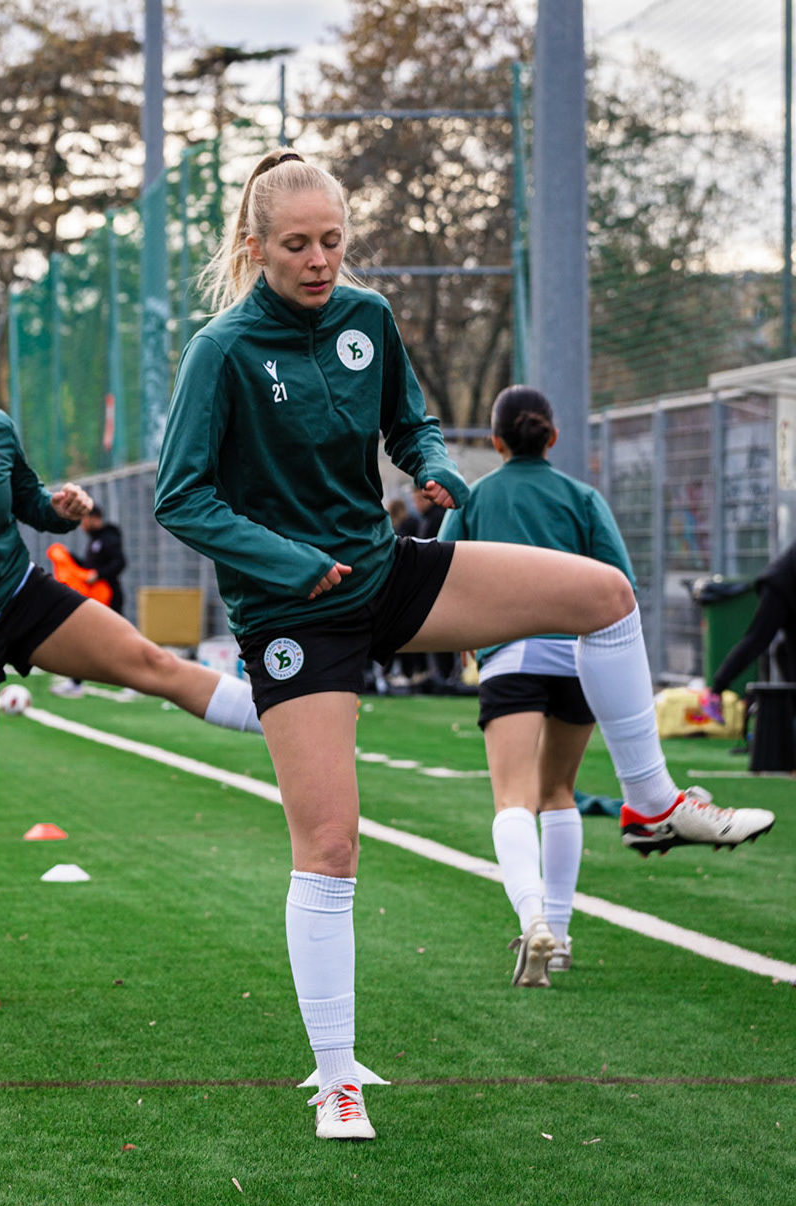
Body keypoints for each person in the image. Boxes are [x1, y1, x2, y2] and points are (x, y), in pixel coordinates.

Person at [154, 150, 773, 1142]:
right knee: (331, 846)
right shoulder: (220, 351)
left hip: (387, 573)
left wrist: (437, 468)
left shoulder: (368, 320)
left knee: (606, 594)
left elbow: (413, 424)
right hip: (293, 614)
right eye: (299, 245)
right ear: (254, 245)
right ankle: (335, 1077)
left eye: (333, 241)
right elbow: (181, 495)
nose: (321, 261)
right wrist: (282, 560)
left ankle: (653, 804)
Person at [0, 304, 265, 1014]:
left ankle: (287, 722)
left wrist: (62, 508)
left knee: (151, 662)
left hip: (22, 598)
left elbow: (27, 504)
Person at [440, 387, 636, 986]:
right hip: (579, 658)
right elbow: (618, 583)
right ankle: (563, 931)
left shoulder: (477, 497)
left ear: (496, 442)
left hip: (512, 656)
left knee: (512, 799)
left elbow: (437, 570)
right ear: (552, 437)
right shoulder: (582, 497)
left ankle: (533, 922)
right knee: (560, 794)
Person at [700, 541, 796, 721]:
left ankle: (789, 717)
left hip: (788, 590)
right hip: (780, 588)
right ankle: (715, 691)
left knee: (787, 648)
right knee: (758, 640)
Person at [50, 507, 128, 697]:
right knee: (85, 640)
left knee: (119, 640)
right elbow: (90, 566)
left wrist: (99, 574)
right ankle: (76, 683)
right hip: (96, 598)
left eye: (84, 520)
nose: (82, 525)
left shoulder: (108, 538)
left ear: (95, 518)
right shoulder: (96, 540)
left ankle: (135, 682)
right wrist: (70, 558)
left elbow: (120, 562)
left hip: (110, 597)